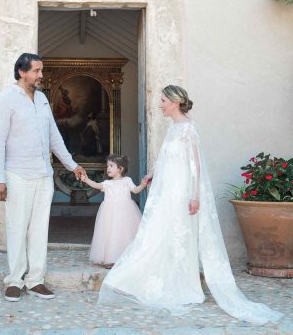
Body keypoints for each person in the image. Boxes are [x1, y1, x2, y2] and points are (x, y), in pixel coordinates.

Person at [98, 85, 283, 325]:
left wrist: (194, 195)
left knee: (179, 236)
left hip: (182, 192)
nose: (159, 104)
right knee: (159, 234)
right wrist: (153, 173)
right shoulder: (173, 128)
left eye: (162, 100)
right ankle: (147, 279)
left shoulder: (188, 128)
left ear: (174, 102)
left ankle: (184, 287)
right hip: (167, 191)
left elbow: (195, 164)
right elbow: (166, 158)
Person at [0, 53, 86, 303]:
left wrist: (72, 165)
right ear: (22, 72)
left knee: (39, 230)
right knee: (17, 228)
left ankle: (35, 281)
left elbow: (54, 137)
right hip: (17, 174)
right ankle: (14, 281)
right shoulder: (5, 100)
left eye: (41, 71)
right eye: (36, 71)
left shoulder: (43, 99)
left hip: (44, 175)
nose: (41, 75)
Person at [80, 155, 149, 268]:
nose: (108, 168)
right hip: (109, 213)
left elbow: (135, 190)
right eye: (107, 166)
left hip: (126, 212)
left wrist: (143, 184)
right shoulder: (107, 183)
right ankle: (110, 258)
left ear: (120, 169)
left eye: (111, 166)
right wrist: (86, 179)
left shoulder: (127, 181)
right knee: (111, 234)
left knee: (124, 234)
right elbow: (97, 185)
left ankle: (127, 257)